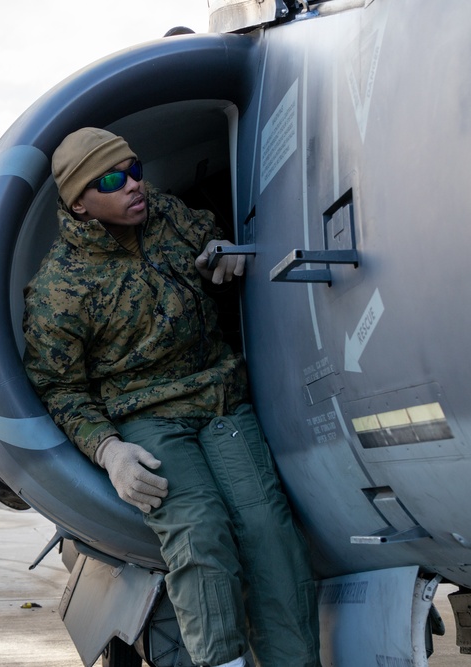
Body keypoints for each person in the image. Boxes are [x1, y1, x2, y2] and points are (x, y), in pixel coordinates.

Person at [22, 128, 320, 667]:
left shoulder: (164, 213)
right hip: (145, 416)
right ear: (80, 205)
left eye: (134, 168)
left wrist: (217, 253)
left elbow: (204, 235)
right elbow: (59, 386)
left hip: (220, 399)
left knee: (269, 532)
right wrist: (109, 450)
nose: (133, 185)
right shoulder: (59, 288)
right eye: (111, 180)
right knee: (199, 534)